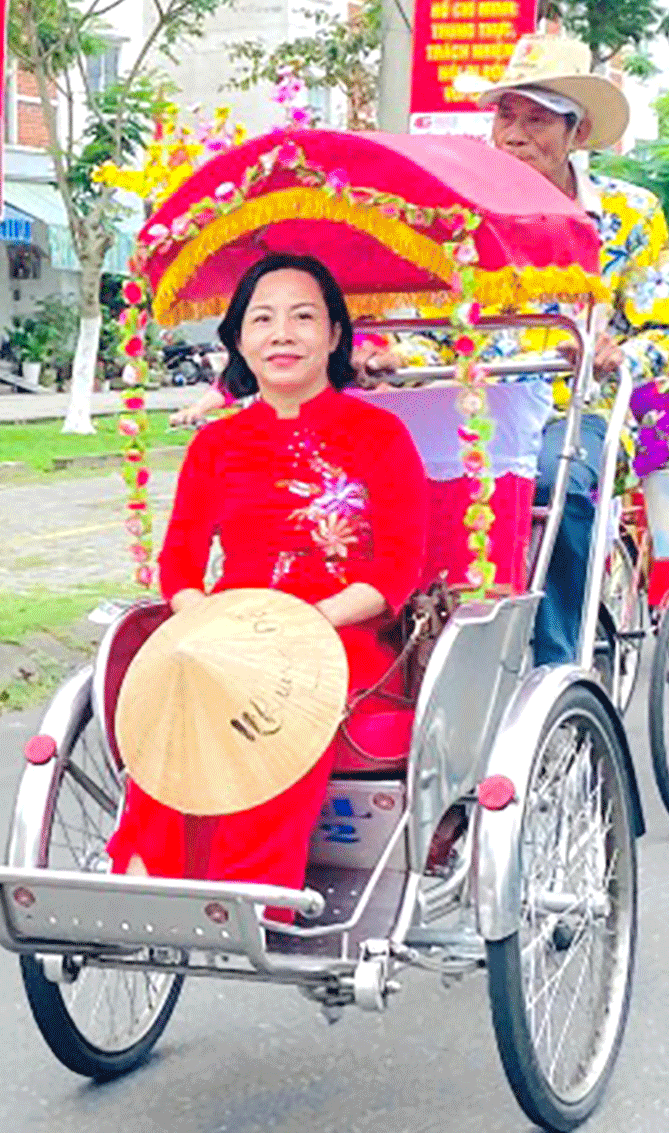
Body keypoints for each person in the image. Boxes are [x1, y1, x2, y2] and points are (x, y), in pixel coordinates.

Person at [106, 253, 429, 890]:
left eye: (303, 317)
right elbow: (181, 563)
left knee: (282, 703)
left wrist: (306, 622)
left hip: (344, 635)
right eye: (263, 319)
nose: (282, 334)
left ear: (335, 336)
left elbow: (400, 565)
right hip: (233, 631)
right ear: (238, 341)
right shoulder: (216, 444)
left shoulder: (380, 435)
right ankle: (143, 877)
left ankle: (250, 892)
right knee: (182, 685)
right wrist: (207, 623)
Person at [363, 33, 669, 667]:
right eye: (507, 114)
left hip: (571, 409)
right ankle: (407, 651)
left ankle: (557, 666)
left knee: (557, 479)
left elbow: (664, 337)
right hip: (463, 404)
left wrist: (621, 356)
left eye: (536, 119)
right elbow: (429, 331)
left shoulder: (628, 213)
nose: (516, 133)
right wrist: (395, 356)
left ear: (577, 130)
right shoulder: (455, 211)